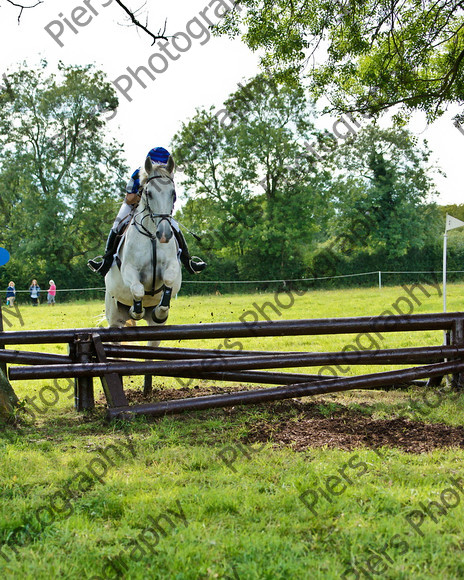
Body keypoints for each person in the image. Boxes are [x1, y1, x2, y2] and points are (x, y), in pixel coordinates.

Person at [87, 146, 206, 277]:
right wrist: (142, 198)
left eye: (163, 165)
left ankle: (188, 261)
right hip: (133, 206)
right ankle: (106, 261)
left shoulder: (167, 175)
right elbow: (129, 198)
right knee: (117, 224)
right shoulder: (137, 173)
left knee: (176, 228)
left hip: (157, 210)